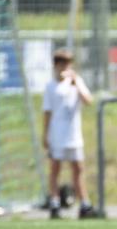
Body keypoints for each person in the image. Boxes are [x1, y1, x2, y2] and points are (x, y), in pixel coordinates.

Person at [42, 49, 99, 219]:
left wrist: (76, 84)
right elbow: (47, 112)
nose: (65, 67)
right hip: (57, 134)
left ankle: (84, 205)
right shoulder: (51, 86)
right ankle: (54, 203)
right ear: (56, 66)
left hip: (74, 134)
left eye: (68, 63)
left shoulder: (76, 81)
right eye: (62, 63)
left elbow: (88, 101)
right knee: (55, 169)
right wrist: (45, 135)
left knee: (78, 168)